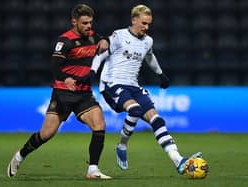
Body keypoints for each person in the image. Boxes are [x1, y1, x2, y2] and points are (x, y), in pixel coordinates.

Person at [82, 4, 202, 174]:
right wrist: (93, 72)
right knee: (135, 110)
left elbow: (150, 57)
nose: (146, 28)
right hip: (112, 83)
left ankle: (178, 160)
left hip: (133, 85)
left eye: (149, 24)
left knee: (157, 120)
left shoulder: (148, 41)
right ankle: (122, 145)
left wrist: (161, 74)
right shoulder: (118, 35)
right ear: (134, 20)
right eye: (144, 23)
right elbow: (100, 54)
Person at [7, 4, 112, 179]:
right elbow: (55, 67)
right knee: (47, 134)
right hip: (63, 93)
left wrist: (106, 40)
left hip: (84, 93)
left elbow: (107, 40)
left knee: (99, 125)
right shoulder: (64, 41)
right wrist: (66, 78)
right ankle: (20, 155)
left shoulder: (94, 37)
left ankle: (92, 170)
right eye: (84, 23)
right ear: (74, 22)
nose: (88, 26)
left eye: (90, 23)